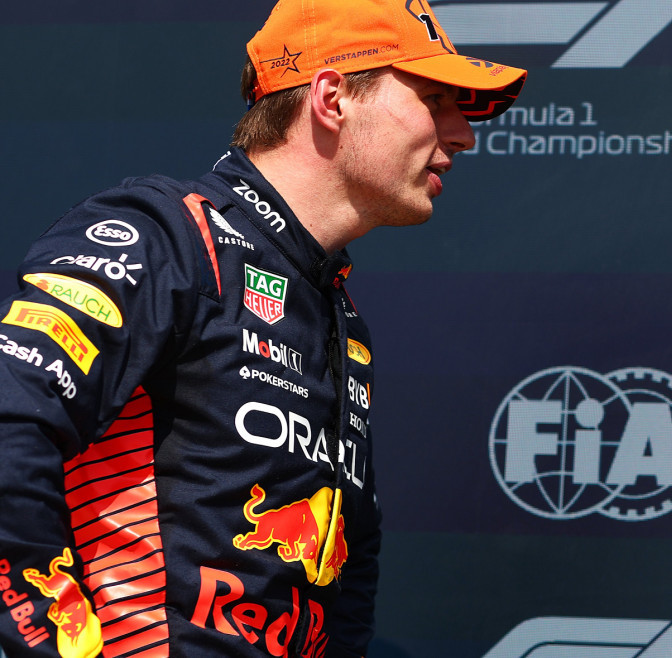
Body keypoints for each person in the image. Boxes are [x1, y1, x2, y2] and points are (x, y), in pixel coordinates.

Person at [0, 0, 524, 655]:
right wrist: (51, 642)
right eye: (435, 100)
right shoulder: (165, 238)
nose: (462, 134)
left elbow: (345, 568)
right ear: (333, 98)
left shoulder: (339, 317)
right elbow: (10, 431)